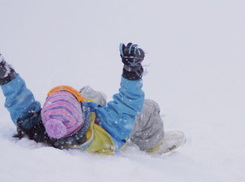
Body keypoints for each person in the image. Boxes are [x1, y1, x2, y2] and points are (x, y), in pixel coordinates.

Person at [0, 43, 184, 155]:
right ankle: (152, 143)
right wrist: (132, 72)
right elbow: (129, 102)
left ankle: (91, 100)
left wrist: (6, 75)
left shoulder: (34, 125)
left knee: (88, 92)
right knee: (148, 108)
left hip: (80, 123)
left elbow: (19, 99)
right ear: (82, 114)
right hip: (107, 127)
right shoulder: (109, 127)